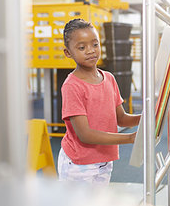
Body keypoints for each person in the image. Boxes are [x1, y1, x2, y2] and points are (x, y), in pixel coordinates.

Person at [58, 18, 140, 185]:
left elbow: (121, 119)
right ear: (68, 53)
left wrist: (148, 116)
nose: (90, 51)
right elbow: (85, 134)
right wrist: (130, 138)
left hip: (104, 162)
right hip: (78, 165)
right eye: (82, 47)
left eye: (95, 44)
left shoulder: (109, 78)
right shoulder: (72, 86)